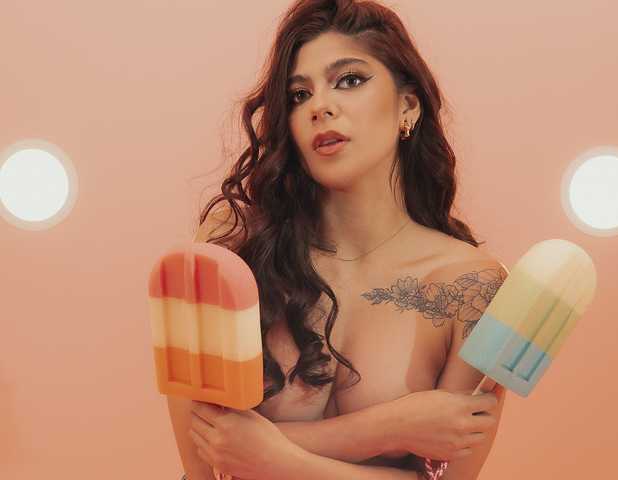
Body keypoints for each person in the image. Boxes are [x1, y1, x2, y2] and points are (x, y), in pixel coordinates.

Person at [170, 1, 507, 479]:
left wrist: (272, 457)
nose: (320, 106)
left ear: (408, 106)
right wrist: (390, 427)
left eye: (349, 80)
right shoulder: (230, 254)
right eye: (299, 95)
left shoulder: (472, 288)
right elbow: (204, 459)